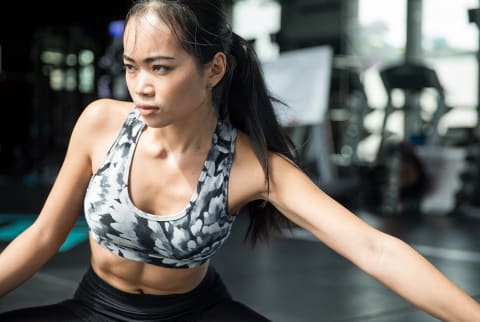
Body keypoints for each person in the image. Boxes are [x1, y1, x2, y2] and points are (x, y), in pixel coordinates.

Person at [0, 0, 479, 321]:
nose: (141, 85)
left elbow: (374, 249)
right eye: (131, 67)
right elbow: (44, 236)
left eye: (160, 68)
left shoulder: (250, 165)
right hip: (94, 306)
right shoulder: (100, 123)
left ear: (213, 69)